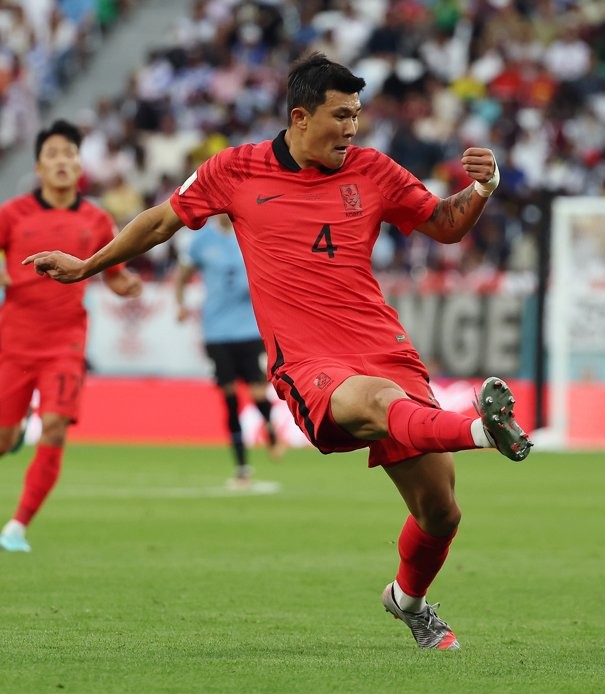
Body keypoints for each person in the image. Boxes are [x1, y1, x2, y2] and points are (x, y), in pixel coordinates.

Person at [23, 53, 532, 649]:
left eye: (358, 116)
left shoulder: (372, 171)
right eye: (341, 116)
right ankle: (477, 429)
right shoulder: (235, 170)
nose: (352, 129)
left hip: (382, 345)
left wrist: (484, 187)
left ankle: (408, 601)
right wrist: (89, 265)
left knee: (441, 513)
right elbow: (161, 222)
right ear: (300, 117)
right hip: (310, 361)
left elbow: (444, 225)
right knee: (379, 401)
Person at [0, 120, 142, 553]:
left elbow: (113, 274)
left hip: (65, 343)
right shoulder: (12, 214)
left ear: (80, 164)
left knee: (57, 426)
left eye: (70, 154)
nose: (63, 161)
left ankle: (16, 527)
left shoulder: (97, 219)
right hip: (14, 342)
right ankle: (14, 433)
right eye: (54, 154)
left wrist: (128, 285)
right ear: (39, 166)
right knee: (3, 440)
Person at [174, 214, 287, 489]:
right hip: (216, 331)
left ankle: (270, 427)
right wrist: (180, 304)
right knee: (229, 399)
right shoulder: (200, 240)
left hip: (250, 328)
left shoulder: (252, 231)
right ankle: (242, 468)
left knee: (258, 391)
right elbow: (182, 276)